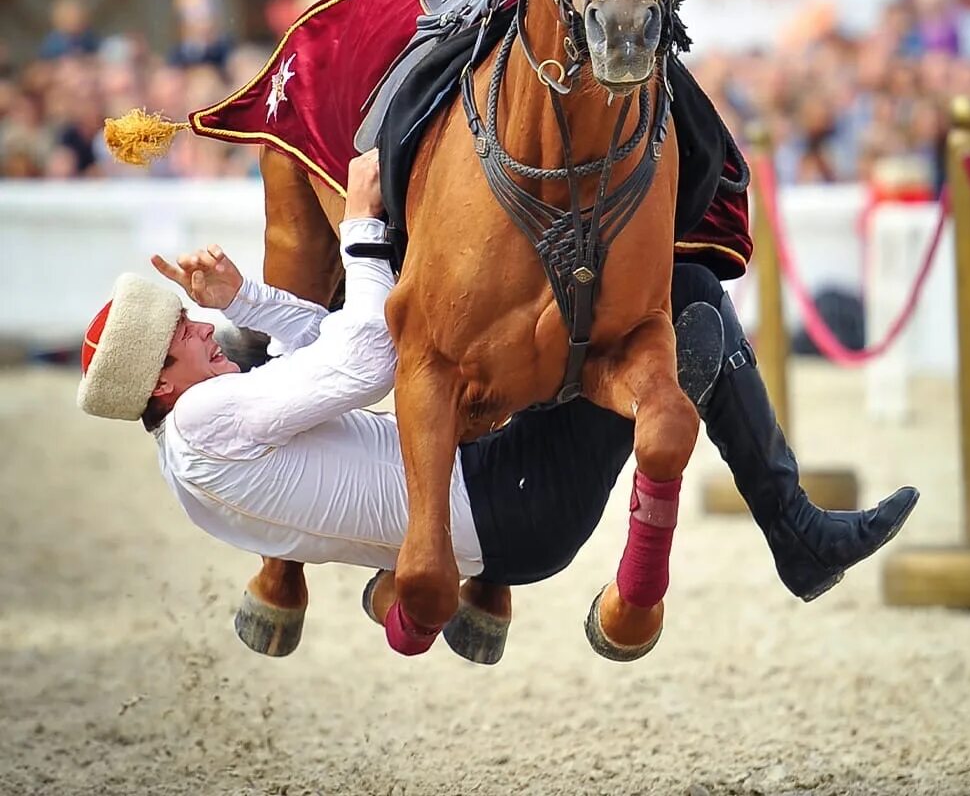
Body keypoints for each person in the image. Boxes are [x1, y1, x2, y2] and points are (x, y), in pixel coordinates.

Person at [77, 147, 918, 658]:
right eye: (181, 330)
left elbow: (324, 351)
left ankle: (773, 521)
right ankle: (786, 532)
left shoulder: (187, 452)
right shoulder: (204, 417)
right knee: (689, 291)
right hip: (507, 502)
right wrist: (364, 227)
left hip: (486, 495)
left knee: (654, 310)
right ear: (159, 382)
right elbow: (372, 355)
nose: (194, 325)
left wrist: (245, 299)